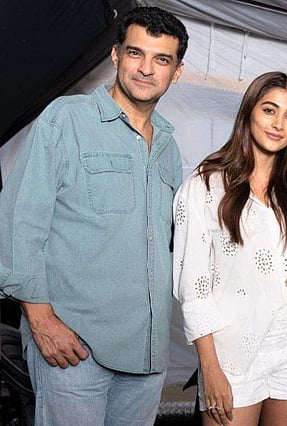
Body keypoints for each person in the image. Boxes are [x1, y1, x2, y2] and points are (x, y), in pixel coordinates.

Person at [0, 6, 188, 425]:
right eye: (136, 53)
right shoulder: (66, 119)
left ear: (176, 72)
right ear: (116, 55)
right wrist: (41, 320)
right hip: (74, 348)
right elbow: (18, 222)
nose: (146, 69)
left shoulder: (169, 148)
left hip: (147, 356)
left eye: (161, 59)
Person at [173, 71, 287, 426]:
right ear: (249, 111)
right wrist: (210, 368)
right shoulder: (205, 185)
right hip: (231, 354)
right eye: (269, 110)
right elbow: (193, 288)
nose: (278, 124)